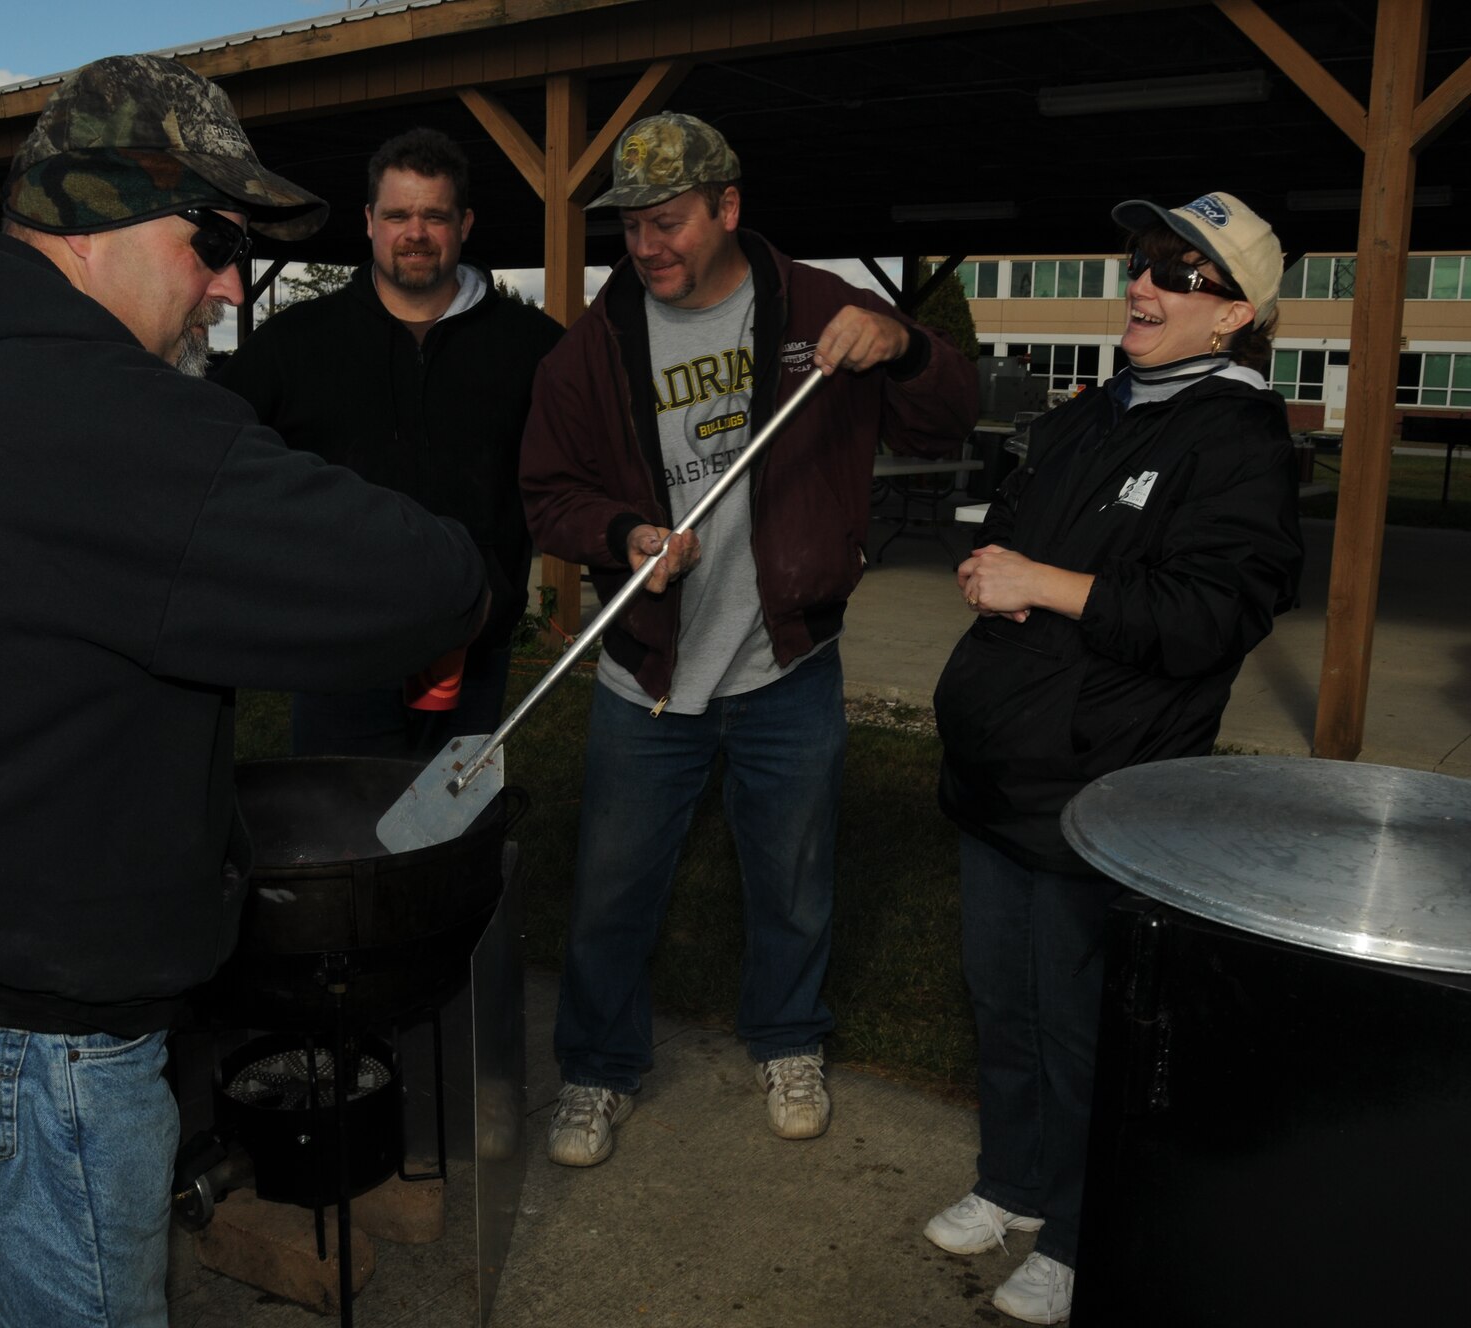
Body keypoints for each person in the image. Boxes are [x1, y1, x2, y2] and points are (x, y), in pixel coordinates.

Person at [0, 55, 488, 1328]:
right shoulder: (101, 415)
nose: (226, 282)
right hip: (8, 1038)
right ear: (96, 218)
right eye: (209, 237)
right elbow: (422, 580)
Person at [520, 112, 978, 1167]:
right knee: (611, 888)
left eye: (667, 222)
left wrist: (904, 345)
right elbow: (547, 495)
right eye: (629, 228)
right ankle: (594, 1067)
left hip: (787, 663)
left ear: (727, 207)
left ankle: (786, 1038)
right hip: (647, 670)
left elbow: (944, 419)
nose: (646, 247)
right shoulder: (590, 350)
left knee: (792, 874)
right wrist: (619, 533)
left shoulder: (824, 309)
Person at [925, 192, 1304, 1325]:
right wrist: (1003, 568)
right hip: (1001, 765)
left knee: (1083, 1019)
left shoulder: (1235, 436)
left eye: (1182, 275)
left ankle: (1086, 1235)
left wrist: (1043, 583)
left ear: (1233, 314)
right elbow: (1018, 531)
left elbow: (1213, 611)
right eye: (1142, 260)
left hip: (1100, 784)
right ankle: (1014, 1183)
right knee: (1002, 999)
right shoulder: (1097, 409)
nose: (1143, 286)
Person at [218, 127, 562, 757]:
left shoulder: (534, 346)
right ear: (370, 221)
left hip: (474, 646)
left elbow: (585, 459)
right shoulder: (296, 343)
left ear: (465, 223)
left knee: (453, 829)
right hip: (341, 652)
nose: (416, 232)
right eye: (399, 214)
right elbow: (221, 457)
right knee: (338, 830)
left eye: (435, 215)